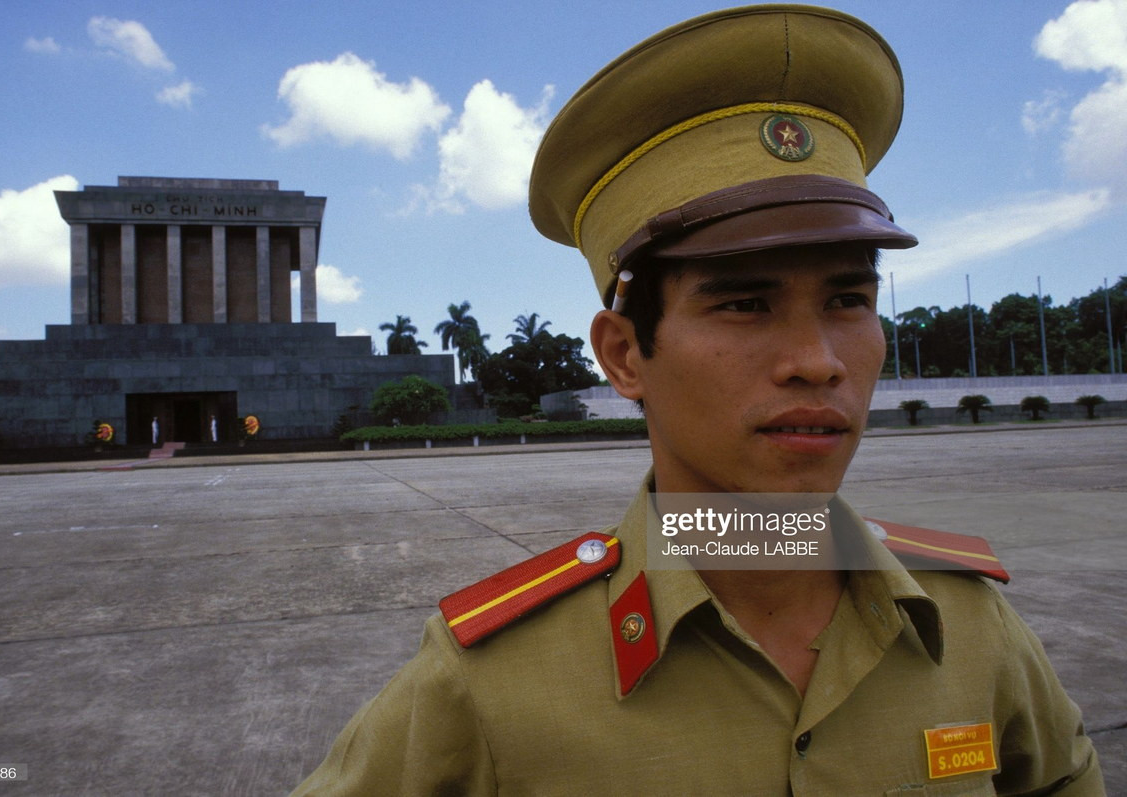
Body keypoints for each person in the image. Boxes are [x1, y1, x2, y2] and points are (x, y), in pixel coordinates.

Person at [291, 6, 1103, 794]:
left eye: (849, 300)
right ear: (624, 354)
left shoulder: (969, 630)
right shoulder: (492, 689)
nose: (818, 361)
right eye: (745, 304)